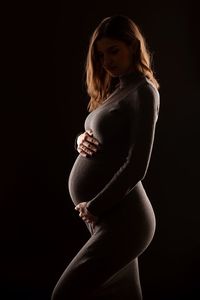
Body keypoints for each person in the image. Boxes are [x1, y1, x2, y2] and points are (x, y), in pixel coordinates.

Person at [51, 14, 160, 300]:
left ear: (133, 47)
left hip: (125, 219)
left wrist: (95, 207)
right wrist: (80, 140)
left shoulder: (144, 92)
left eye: (114, 50)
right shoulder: (118, 88)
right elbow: (104, 138)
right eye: (100, 55)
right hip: (105, 217)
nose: (107, 61)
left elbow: (137, 166)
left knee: (64, 295)